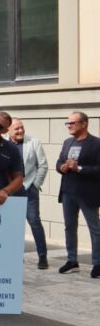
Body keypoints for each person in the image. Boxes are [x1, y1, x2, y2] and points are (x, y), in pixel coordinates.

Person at [55, 111, 100, 277]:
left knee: (95, 229)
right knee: (69, 227)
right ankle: (72, 260)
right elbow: (58, 162)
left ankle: (98, 263)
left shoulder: (96, 144)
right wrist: (62, 167)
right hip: (68, 191)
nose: (69, 126)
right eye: (68, 123)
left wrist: (79, 168)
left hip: (87, 194)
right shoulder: (67, 142)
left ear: (84, 124)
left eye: (73, 123)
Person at [10, 118, 50, 268]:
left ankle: (42, 257)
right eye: (17, 129)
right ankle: (14, 255)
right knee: (12, 224)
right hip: (10, 191)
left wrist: (35, 184)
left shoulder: (33, 142)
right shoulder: (3, 144)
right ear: (9, 130)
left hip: (29, 190)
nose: (20, 131)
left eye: (22, 128)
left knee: (34, 222)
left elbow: (43, 165)